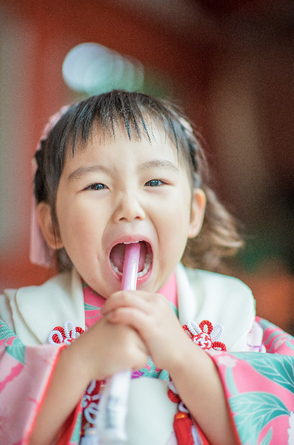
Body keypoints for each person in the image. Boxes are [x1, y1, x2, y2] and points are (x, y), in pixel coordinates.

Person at [0, 90, 293, 445]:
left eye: (154, 182)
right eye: (96, 185)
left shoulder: (237, 321)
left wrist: (185, 359)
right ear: (53, 227)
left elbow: (276, 430)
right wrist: (77, 364)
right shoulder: (17, 324)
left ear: (192, 213)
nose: (129, 207)